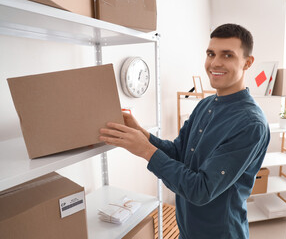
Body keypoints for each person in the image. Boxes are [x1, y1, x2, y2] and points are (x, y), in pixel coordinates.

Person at [99, 23, 270, 239]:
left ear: (248, 62)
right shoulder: (205, 105)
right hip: (188, 231)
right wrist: (142, 133)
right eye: (211, 53)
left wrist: (146, 151)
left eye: (227, 55)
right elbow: (179, 153)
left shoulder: (250, 124)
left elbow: (201, 190)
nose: (215, 63)